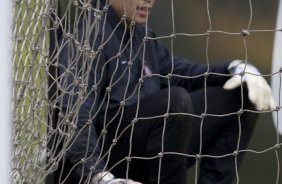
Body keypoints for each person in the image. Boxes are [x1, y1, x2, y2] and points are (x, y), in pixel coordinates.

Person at [54, 0, 276, 183]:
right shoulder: (88, 36)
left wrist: (236, 68)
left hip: (152, 150)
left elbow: (185, 72)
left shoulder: (142, 36)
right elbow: (74, 115)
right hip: (109, 160)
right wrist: (98, 175)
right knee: (175, 101)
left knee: (242, 93)